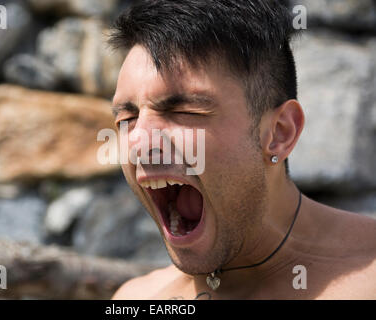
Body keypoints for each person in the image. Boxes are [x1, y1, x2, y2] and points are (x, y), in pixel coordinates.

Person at [108, 0, 376, 299]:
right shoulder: (137, 299)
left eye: (185, 110)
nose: (138, 144)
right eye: (127, 118)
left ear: (279, 133)